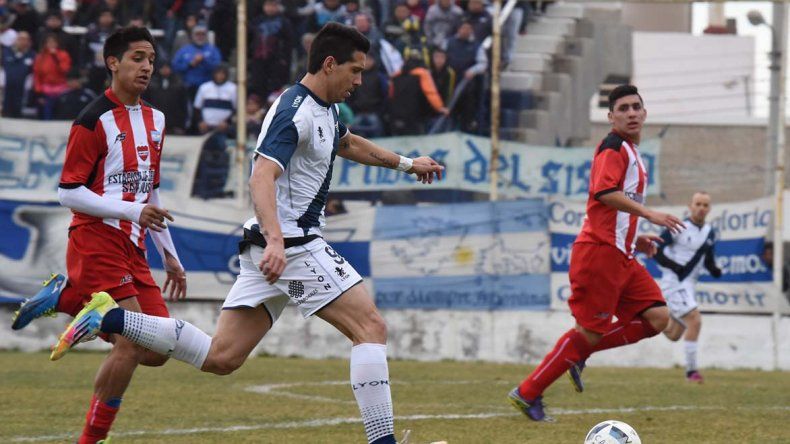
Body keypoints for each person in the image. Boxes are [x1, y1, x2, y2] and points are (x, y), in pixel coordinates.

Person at [49, 22, 443, 444]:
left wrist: (406, 163)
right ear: (330, 65)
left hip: (274, 245)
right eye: (355, 70)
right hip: (291, 244)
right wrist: (277, 240)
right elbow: (261, 178)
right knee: (370, 327)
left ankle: (108, 316)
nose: (359, 80)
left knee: (222, 357)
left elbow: (347, 145)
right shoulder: (293, 110)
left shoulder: (324, 109)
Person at [11, 26, 187, 444]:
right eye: (137, 58)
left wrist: (171, 255)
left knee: (159, 350)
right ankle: (90, 440)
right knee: (128, 342)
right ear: (113, 62)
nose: (147, 66)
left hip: (134, 246)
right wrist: (132, 210)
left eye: (150, 59)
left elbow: (151, 187)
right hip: (96, 236)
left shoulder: (157, 119)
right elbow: (67, 192)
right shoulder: (92, 120)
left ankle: (68, 299)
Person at [507, 85, 686, 422]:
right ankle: (527, 392)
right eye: (623, 108)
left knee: (657, 318)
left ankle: (578, 355)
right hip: (599, 254)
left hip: (622, 254)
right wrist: (650, 215)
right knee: (588, 331)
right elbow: (604, 193)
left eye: (636, 106)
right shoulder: (613, 146)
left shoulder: (632, 151)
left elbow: (617, 204)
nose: (631, 112)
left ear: (645, 113)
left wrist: (637, 236)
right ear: (611, 117)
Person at [654, 191, 722, 383]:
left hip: (689, 285)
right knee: (695, 320)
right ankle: (691, 372)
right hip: (674, 282)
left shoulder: (710, 232)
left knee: (675, 334)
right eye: (698, 204)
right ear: (690, 206)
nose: (701, 208)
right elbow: (656, 250)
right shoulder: (678, 226)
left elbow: (707, 259)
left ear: (709, 209)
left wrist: (715, 270)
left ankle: (651, 320)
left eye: (705, 205)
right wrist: (674, 267)